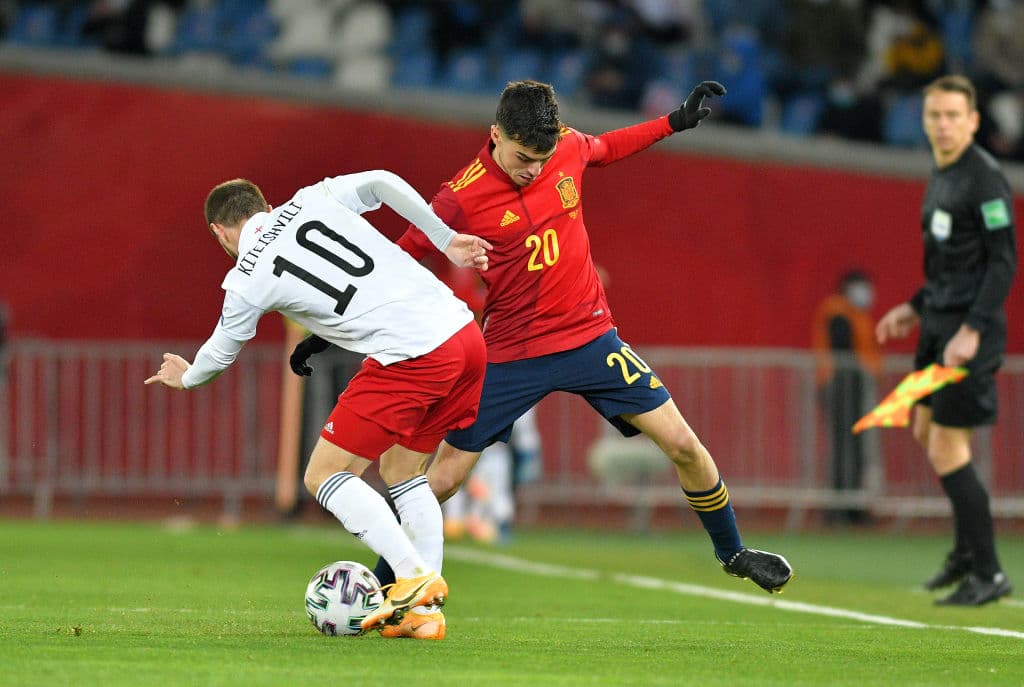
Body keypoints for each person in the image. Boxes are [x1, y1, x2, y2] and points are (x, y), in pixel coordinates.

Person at [297, 79, 794, 593]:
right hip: (510, 355)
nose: (532, 167)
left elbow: (608, 146)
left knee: (684, 444)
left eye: (542, 155)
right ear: (495, 134)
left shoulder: (569, 147)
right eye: (522, 156)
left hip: (591, 339)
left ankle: (733, 552)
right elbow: (401, 256)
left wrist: (674, 122)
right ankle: (387, 586)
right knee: (439, 480)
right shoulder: (459, 198)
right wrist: (333, 328)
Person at [144, 170, 493, 639]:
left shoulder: (245, 276)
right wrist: (445, 238)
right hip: (464, 335)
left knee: (323, 475)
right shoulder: (312, 198)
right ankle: (423, 614)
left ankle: (413, 577)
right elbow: (384, 182)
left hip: (414, 355)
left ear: (219, 232)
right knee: (403, 472)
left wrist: (185, 377)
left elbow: (219, 353)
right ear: (264, 205)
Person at [875, 74, 1016, 606]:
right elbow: (949, 261)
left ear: (974, 121)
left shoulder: (984, 180)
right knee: (924, 429)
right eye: (935, 115)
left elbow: (1003, 263)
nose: (944, 124)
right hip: (936, 322)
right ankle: (963, 554)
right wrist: (913, 306)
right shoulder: (943, 172)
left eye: (955, 115)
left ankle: (989, 571)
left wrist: (972, 330)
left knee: (945, 445)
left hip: (966, 330)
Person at [812, 269, 882, 525]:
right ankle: (840, 508)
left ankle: (852, 505)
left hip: (853, 385)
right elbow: (843, 349)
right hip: (840, 385)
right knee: (845, 448)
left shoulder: (855, 314)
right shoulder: (838, 311)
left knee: (854, 448)